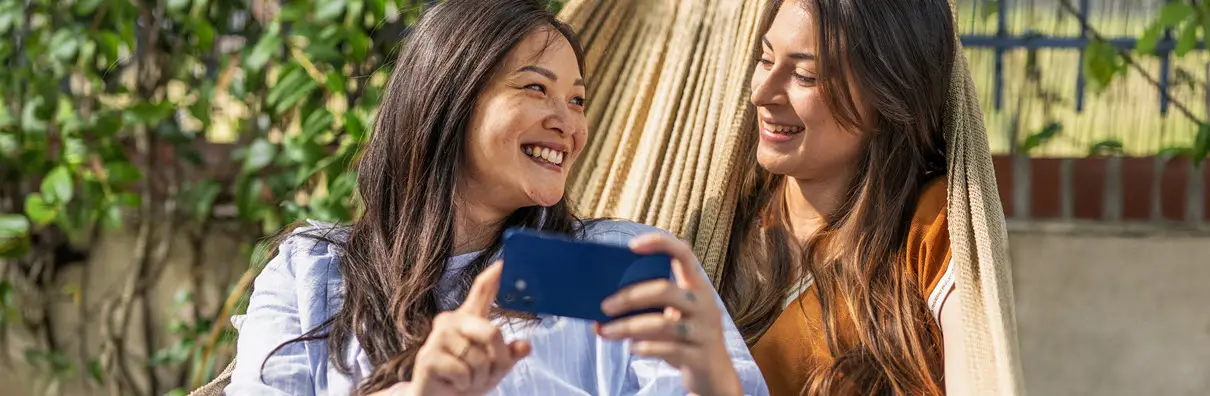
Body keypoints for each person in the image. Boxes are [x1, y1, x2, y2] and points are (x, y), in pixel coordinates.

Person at [224, 1, 767, 395]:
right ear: (448, 99)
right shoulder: (313, 272)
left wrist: (713, 382)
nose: (569, 123)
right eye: (536, 88)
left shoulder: (621, 263)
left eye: (577, 100)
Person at [707, 0, 968, 394]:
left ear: (887, 94)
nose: (762, 93)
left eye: (805, 75)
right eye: (765, 58)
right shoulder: (719, 227)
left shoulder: (930, 227)